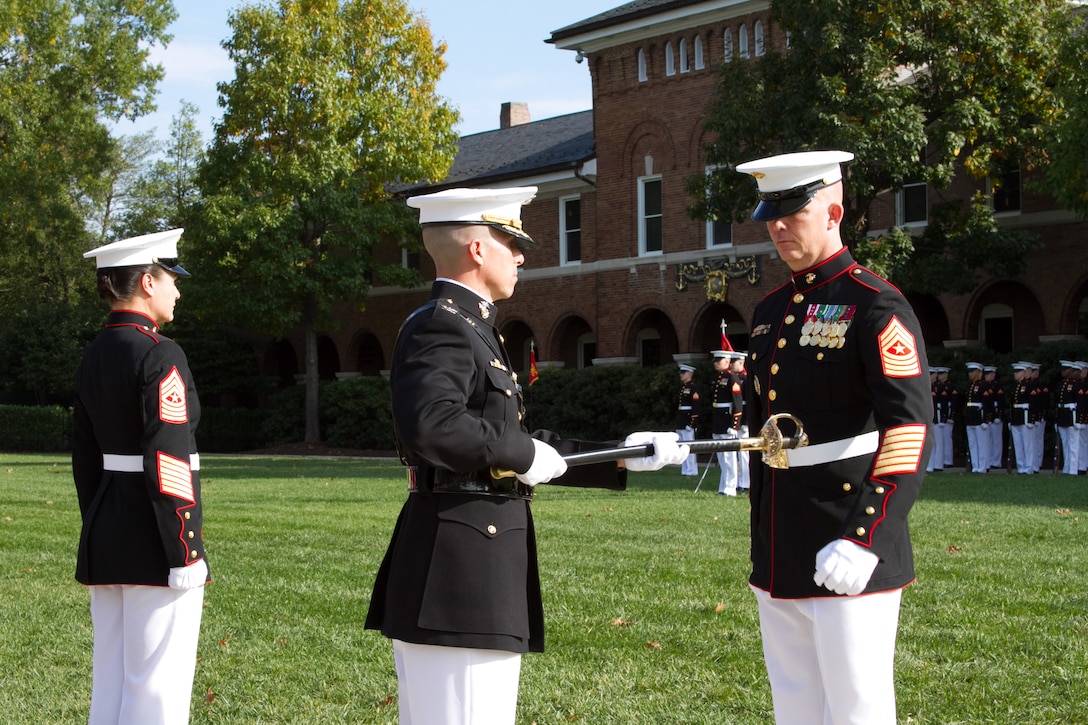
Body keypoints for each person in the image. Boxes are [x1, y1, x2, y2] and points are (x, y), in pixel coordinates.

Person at [363, 186, 688, 725]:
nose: (520, 255)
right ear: (476, 249)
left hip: (473, 556)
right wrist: (520, 450)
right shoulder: (443, 324)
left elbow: (511, 440)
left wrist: (622, 455)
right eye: (510, 241)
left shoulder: (473, 328)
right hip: (458, 569)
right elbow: (433, 424)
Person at [736, 150, 932, 725]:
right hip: (780, 540)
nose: (777, 226)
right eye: (770, 213)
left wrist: (866, 535)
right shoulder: (771, 310)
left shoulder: (875, 304)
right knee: (794, 707)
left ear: (833, 212)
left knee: (857, 709)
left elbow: (908, 428)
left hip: (849, 536)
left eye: (792, 212)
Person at [72, 229, 209, 725]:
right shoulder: (158, 353)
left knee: (110, 681)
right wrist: (184, 546)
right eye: (171, 278)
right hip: (156, 538)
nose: (177, 290)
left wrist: (99, 522)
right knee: (157, 689)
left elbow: (85, 457)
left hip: (107, 529)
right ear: (147, 281)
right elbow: (168, 457)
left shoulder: (94, 353)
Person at [709, 350, 743, 495]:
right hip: (718, 421)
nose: (716, 363)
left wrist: (734, 425)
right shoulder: (718, 378)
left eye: (719, 360)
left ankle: (731, 487)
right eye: (715, 361)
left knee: (729, 457)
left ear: (727, 362)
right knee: (722, 457)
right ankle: (723, 486)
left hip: (727, 421)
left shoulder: (732, 378)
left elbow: (737, 404)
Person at [963, 361, 991, 473]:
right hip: (971, 417)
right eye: (969, 372)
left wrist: (986, 420)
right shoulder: (970, 386)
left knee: (982, 443)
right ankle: (975, 465)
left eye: (972, 372)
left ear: (979, 372)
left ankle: (982, 466)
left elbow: (988, 404)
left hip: (979, 417)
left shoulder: (983, 386)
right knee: (973, 443)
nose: (970, 374)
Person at [731, 352, 752, 494]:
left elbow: (749, 404)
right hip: (736, 421)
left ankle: (746, 482)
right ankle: (739, 481)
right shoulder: (735, 379)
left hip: (744, 421)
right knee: (737, 453)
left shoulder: (746, 379)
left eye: (734, 362)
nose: (731, 365)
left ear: (741, 363)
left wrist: (746, 422)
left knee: (745, 454)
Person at [1056, 360, 1081, 475]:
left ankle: (1073, 469)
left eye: (1066, 370)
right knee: (1065, 443)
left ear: (1071, 371)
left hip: (1072, 414)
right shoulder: (1060, 385)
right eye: (1063, 370)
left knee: (1073, 444)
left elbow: (1081, 403)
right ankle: (1067, 467)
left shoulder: (1075, 385)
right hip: (1063, 414)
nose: (1063, 372)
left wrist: (1080, 419)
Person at [676, 363, 701, 475]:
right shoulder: (684, 387)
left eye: (683, 373)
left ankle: (691, 470)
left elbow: (695, 407)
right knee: (682, 446)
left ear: (689, 374)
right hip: (682, 419)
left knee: (689, 446)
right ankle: (685, 469)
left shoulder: (693, 388)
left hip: (687, 420)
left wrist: (692, 423)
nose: (681, 375)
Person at [1009, 362, 1033, 474]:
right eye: (1015, 372)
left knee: (1027, 443)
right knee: (1018, 443)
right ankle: (1021, 466)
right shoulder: (1015, 387)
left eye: (1018, 372)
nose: (1015, 374)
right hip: (1016, 415)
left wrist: (1031, 419)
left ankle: (1029, 467)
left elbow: (1033, 403)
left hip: (1025, 415)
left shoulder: (1028, 386)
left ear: (1023, 373)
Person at [984, 365, 1005, 469]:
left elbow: (1000, 403)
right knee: (988, 440)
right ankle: (989, 460)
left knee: (996, 440)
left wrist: (999, 416)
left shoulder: (997, 387)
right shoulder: (984, 386)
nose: (987, 376)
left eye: (989, 374)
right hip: (989, 415)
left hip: (995, 415)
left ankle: (996, 461)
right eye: (986, 374)